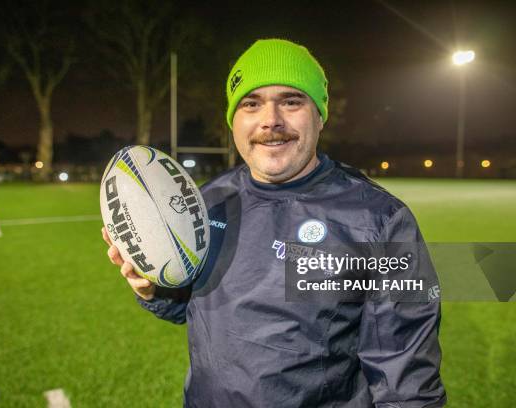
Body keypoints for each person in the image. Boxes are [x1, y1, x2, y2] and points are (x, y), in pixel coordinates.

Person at [102, 39, 446, 407]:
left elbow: (407, 382)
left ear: (320, 115)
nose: (271, 121)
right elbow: (192, 307)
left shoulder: (380, 222)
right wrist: (153, 289)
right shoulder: (209, 201)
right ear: (233, 119)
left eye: (291, 101)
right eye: (251, 104)